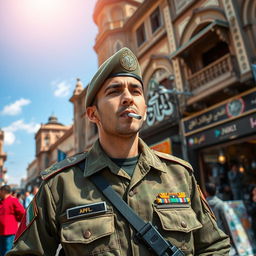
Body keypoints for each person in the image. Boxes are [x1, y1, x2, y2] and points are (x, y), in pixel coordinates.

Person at [7, 47, 230, 255]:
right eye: (114, 91)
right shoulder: (60, 185)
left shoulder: (180, 174)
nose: (128, 98)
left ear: (144, 107)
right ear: (93, 115)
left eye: (136, 91)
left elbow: (214, 245)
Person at [0, 185, 25, 256]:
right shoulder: (1, 201)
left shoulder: (13, 200)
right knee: (1, 251)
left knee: (7, 251)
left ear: (3, 191)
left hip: (9, 232)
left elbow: (22, 212)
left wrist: (16, 220)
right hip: (1, 232)